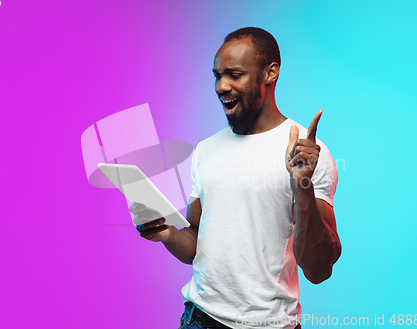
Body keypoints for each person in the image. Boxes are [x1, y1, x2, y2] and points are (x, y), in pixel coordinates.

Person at [131, 27, 341, 329]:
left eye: (234, 74)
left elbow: (319, 269)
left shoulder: (307, 153)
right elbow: (196, 244)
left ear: (270, 73)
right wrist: (165, 232)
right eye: (217, 75)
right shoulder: (207, 150)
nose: (221, 86)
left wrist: (302, 185)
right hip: (198, 320)